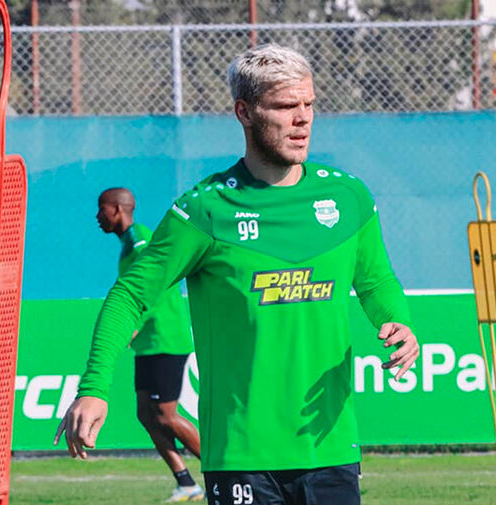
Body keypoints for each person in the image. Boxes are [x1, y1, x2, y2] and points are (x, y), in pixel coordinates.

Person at [55, 44, 419, 505]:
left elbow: (376, 281)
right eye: (285, 106)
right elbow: (129, 295)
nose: (302, 119)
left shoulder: (348, 198)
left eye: (308, 104)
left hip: (330, 449)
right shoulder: (206, 210)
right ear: (244, 112)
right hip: (241, 457)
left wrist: (397, 320)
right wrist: (94, 388)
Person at [95, 187, 204, 502]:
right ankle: (186, 483)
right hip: (149, 345)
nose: (97, 216)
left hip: (165, 339)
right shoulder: (127, 243)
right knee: (146, 413)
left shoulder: (140, 237)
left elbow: (153, 288)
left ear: (118, 209)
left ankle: (223, 469)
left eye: (102, 208)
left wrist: (133, 325)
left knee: (166, 415)